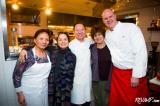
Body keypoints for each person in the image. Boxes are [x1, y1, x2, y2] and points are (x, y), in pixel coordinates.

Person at [101, 9, 150, 106]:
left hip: (131, 74)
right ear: (103, 21)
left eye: (110, 16)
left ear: (115, 16)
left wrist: (136, 75)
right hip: (117, 74)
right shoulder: (107, 34)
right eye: (105, 18)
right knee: (115, 101)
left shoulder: (131, 28)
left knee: (132, 102)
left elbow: (141, 52)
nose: (108, 20)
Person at [13, 29, 52, 106]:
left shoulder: (48, 53)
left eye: (47, 39)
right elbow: (16, 76)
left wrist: (25, 48)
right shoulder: (27, 55)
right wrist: (19, 94)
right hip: (29, 92)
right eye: (41, 39)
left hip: (44, 90)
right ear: (35, 40)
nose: (44, 42)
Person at [48, 32, 76, 106]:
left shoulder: (72, 56)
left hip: (65, 88)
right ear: (57, 41)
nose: (63, 42)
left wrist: (69, 87)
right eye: (60, 40)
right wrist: (24, 50)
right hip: (52, 87)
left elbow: (72, 74)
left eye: (65, 39)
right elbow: (38, 45)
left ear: (68, 41)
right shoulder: (52, 51)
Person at [69, 23, 93, 106]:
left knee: (87, 100)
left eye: (82, 30)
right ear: (74, 32)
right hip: (75, 79)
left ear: (85, 31)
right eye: (77, 30)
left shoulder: (90, 41)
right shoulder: (70, 45)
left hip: (87, 78)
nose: (80, 32)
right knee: (76, 101)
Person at [89, 25, 112, 106]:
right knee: (97, 101)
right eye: (95, 35)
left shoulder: (110, 47)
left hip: (108, 80)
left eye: (99, 34)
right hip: (95, 80)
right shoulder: (91, 48)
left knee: (106, 101)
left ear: (103, 35)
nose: (97, 37)